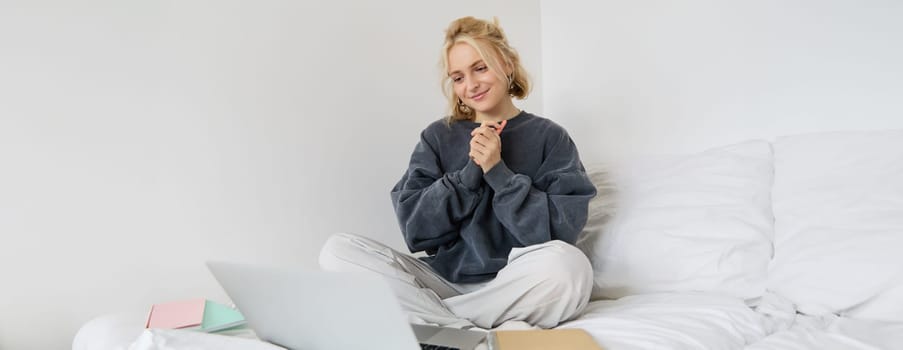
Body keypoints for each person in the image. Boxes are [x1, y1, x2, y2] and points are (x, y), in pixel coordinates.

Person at [319, 16, 596, 330]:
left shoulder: (550, 137)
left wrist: (497, 170)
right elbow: (416, 229)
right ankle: (463, 324)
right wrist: (469, 175)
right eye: (458, 77)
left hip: (516, 281)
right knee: (337, 252)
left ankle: (439, 322)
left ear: (507, 64)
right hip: (442, 281)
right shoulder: (437, 137)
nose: (471, 85)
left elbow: (558, 234)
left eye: (480, 68)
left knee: (571, 268)